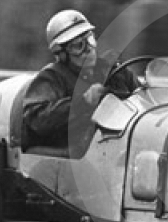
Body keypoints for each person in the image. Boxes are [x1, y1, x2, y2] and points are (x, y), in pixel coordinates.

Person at [22, 9, 134, 152]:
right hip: (78, 156)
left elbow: (143, 99)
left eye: (90, 40)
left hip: (121, 149)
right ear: (62, 54)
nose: (89, 49)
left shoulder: (116, 71)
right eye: (78, 46)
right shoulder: (52, 77)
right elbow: (37, 119)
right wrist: (83, 103)